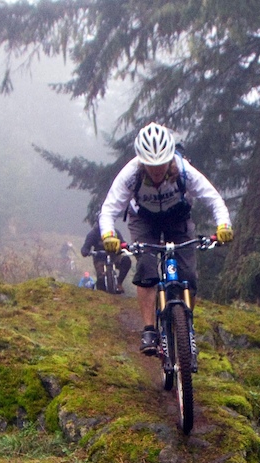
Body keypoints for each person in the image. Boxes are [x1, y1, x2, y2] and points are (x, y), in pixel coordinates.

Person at [98, 122, 233, 355]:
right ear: (142, 161)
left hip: (177, 218)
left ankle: (186, 325)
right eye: (151, 165)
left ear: (170, 157)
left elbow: (213, 198)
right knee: (147, 268)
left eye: (161, 164)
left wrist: (223, 226)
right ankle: (149, 329)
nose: (157, 170)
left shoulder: (184, 170)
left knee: (189, 275)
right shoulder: (131, 174)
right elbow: (109, 209)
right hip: (144, 220)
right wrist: (108, 235)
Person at [81, 222, 130, 293]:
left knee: (126, 260)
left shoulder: (114, 232)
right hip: (99, 258)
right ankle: (101, 293)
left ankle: (119, 283)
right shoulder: (93, 234)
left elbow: (122, 243)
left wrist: (126, 247)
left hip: (114, 256)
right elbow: (85, 247)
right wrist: (86, 251)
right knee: (100, 277)